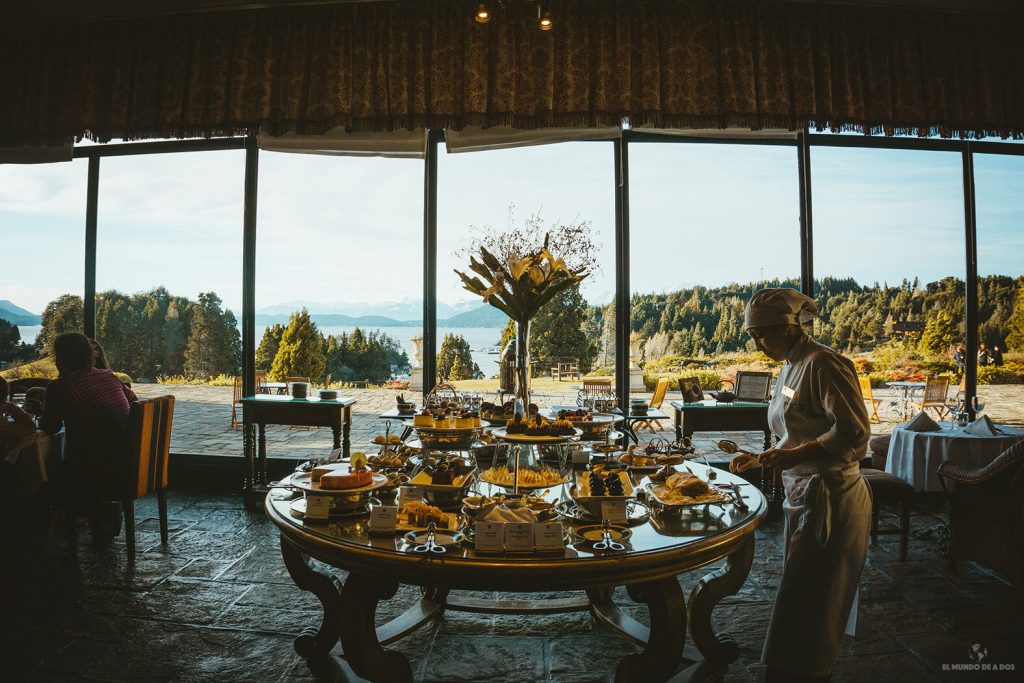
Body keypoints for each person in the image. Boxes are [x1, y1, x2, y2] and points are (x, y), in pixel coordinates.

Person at [729, 288, 871, 682]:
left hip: (831, 495)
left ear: (792, 327)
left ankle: (808, 671)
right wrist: (763, 458)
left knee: (817, 595)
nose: (758, 342)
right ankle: (791, 668)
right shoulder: (790, 366)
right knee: (802, 590)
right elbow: (797, 430)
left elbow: (855, 435)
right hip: (804, 492)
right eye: (754, 334)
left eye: (766, 332)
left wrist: (792, 456)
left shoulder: (824, 364)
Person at [39, 332, 137, 542]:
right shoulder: (107, 376)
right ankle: (99, 520)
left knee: (44, 471)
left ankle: (38, 534)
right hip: (129, 463)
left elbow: (49, 426)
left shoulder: (60, 387)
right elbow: (135, 402)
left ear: (62, 358)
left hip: (98, 471)